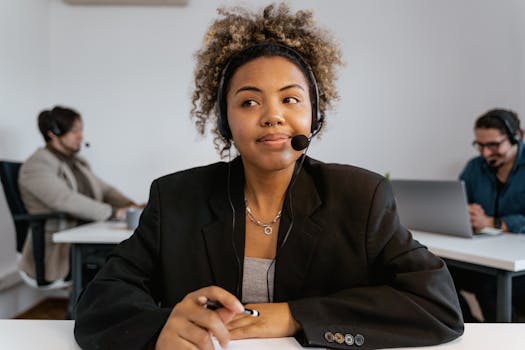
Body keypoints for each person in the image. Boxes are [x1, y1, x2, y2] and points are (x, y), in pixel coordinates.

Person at [74, 4, 463, 349]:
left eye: (290, 99)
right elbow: (99, 298)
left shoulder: (360, 196)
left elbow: (437, 304)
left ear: (315, 115)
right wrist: (161, 328)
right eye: (249, 101)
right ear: (226, 123)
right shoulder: (176, 196)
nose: (272, 115)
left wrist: (295, 315)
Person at [18, 106, 137, 283]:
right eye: (75, 131)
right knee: (128, 260)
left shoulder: (78, 163)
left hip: (87, 239)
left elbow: (105, 190)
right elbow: (64, 199)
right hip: (59, 250)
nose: (81, 136)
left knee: (135, 252)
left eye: (80, 130)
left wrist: (132, 205)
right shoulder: (36, 165)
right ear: (53, 134)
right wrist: (114, 212)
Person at [450, 108, 525, 322]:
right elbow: (458, 201)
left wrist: (494, 222)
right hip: (487, 257)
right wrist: (464, 212)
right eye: (480, 145)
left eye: (493, 145)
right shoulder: (474, 167)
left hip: (517, 266)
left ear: (517, 137)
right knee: (435, 274)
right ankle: (471, 330)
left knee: (490, 283)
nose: (485, 153)